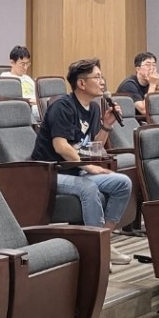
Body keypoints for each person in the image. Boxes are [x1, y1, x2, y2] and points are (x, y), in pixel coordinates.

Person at [31, 58, 133, 265]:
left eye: (102, 77)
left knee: (123, 183)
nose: (102, 82)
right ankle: (97, 252)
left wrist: (106, 126)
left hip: (75, 171)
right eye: (97, 77)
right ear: (81, 83)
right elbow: (61, 146)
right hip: (50, 173)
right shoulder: (62, 107)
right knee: (88, 187)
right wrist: (88, 166)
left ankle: (103, 242)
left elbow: (92, 147)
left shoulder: (93, 109)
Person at [0, 45, 40, 122]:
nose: (25, 68)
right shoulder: (6, 77)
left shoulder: (28, 79)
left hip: (38, 109)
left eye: (27, 64)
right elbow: (10, 99)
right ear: (12, 63)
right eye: (22, 64)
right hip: (22, 110)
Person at [117, 52, 159, 116]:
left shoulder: (150, 82)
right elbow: (144, 110)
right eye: (148, 65)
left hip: (147, 120)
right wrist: (152, 85)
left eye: (154, 65)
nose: (152, 68)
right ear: (138, 69)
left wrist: (158, 85)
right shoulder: (129, 85)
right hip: (133, 120)